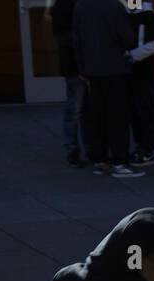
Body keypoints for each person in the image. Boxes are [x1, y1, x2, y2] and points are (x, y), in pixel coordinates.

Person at [73, 0, 143, 177]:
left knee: (97, 115)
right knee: (117, 117)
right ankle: (120, 162)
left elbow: (77, 39)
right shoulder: (114, 6)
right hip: (115, 68)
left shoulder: (81, 6)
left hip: (92, 69)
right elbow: (127, 38)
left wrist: (82, 68)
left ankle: (100, 159)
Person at [51, 0, 90, 167]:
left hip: (80, 66)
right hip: (76, 67)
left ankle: (85, 149)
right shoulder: (66, 5)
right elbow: (66, 38)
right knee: (75, 109)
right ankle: (74, 150)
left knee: (81, 109)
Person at [126, 0, 154, 166]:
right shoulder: (128, 15)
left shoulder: (148, 16)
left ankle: (148, 149)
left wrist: (132, 55)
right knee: (135, 111)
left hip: (143, 72)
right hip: (129, 73)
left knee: (145, 109)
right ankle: (141, 146)